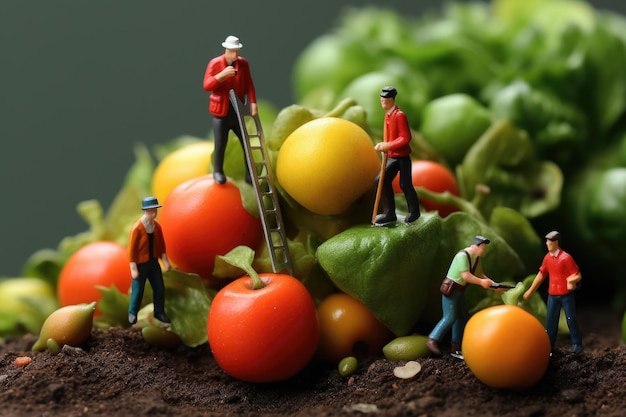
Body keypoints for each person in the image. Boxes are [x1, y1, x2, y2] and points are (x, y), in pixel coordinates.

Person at [426, 236, 495, 358]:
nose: (483, 250)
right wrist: (481, 282)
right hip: (451, 289)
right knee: (450, 317)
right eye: (482, 247)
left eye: (484, 248)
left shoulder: (477, 258)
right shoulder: (462, 256)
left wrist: (494, 285)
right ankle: (432, 339)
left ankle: (456, 347)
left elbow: (480, 275)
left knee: (462, 317)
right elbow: (466, 276)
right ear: (475, 245)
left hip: (460, 291)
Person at [203, 35, 257, 185]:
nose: (235, 55)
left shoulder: (243, 64)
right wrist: (222, 75)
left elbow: (249, 84)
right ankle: (218, 171)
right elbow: (207, 85)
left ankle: (249, 174)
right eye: (232, 51)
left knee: (246, 143)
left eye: (237, 51)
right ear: (226, 49)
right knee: (221, 144)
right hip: (221, 112)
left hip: (238, 110)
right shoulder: (215, 63)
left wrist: (253, 102)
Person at [523, 231, 583, 353]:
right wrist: (530, 291)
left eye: (550, 241)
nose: (547, 243)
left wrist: (571, 280)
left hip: (566, 295)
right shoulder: (547, 258)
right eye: (547, 241)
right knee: (550, 320)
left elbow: (577, 275)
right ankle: (549, 345)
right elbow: (541, 275)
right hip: (553, 295)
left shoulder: (566, 258)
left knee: (570, 319)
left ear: (556, 242)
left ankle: (577, 343)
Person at [373, 86, 420, 225]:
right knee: (380, 180)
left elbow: (405, 138)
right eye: (381, 100)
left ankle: (414, 212)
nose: (383, 102)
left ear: (392, 100)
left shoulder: (399, 115)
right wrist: (384, 146)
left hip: (402, 157)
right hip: (392, 156)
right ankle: (389, 213)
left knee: (405, 184)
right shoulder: (387, 115)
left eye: (385, 100)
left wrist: (389, 145)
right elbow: (389, 136)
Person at [127, 196, 171, 325]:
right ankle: (132, 312)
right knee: (138, 290)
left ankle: (159, 312)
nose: (154, 213)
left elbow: (161, 246)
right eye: (152, 211)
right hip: (141, 264)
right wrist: (133, 268)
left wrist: (165, 261)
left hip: (154, 262)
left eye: (155, 210)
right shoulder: (137, 229)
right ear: (145, 211)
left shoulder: (157, 227)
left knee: (159, 288)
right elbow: (132, 250)